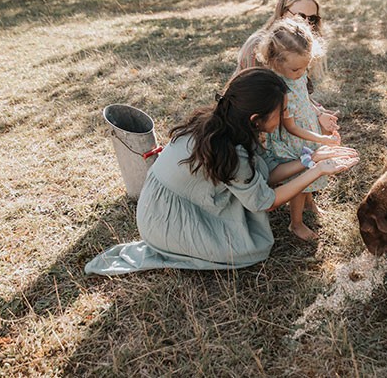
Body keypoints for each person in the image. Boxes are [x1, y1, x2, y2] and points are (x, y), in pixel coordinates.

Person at [85, 68, 359, 276]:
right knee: (252, 249)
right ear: (256, 119)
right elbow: (266, 200)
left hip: (167, 200)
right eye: (282, 111)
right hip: (163, 218)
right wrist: (318, 170)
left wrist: (311, 158)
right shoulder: (231, 150)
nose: (287, 116)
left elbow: (266, 173)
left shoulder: (226, 122)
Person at [256, 18, 342, 241]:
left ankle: (309, 203)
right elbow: (291, 127)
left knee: (310, 173)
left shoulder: (298, 74)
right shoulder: (279, 87)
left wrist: (320, 115)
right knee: (303, 175)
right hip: (293, 139)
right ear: (275, 62)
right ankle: (296, 223)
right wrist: (320, 140)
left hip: (307, 130)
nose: (302, 72)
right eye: (296, 68)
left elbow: (306, 100)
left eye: (306, 66)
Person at [235, 0, 339, 135]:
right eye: (300, 16)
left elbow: (297, 91)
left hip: (285, 112)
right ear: (282, 12)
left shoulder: (300, 44)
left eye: (313, 19)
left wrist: (318, 113)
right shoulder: (257, 46)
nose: (307, 24)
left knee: (328, 129)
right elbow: (251, 103)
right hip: (257, 120)